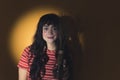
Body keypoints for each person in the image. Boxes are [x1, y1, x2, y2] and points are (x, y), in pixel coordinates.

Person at [17, 13, 73, 80]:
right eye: (46, 28)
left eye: (54, 28)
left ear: (59, 31)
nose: (50, 32)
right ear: (40, 31)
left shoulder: (65, 52)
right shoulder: (29, 51)